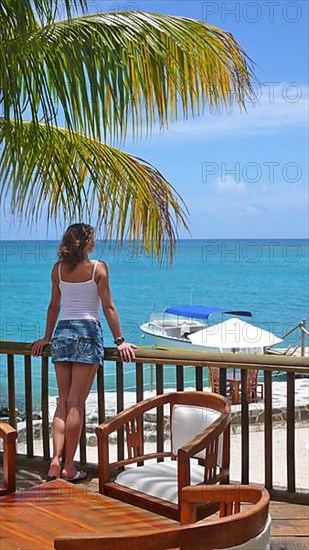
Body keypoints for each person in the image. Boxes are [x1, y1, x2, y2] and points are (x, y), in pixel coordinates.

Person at [31, 223, 137, 482]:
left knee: (63, 401)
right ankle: (69, 465)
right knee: (76, 402)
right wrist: (120, 340)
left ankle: (54, 461)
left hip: (62, 333)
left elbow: (54, 306)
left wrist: (47, 337)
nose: (95, 243)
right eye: (92, 239)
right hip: (88, 332)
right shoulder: (98, 268)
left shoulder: (57, 269)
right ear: (85, 243)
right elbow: (108, 307)